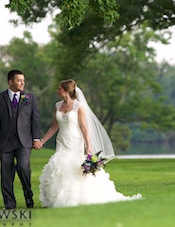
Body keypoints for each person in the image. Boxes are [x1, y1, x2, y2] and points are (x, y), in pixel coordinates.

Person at [37, 79, 141, 207]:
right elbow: (54, 127)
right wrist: (42, 140)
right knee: (59, 164)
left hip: (75, 141)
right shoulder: (57, 106)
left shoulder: (78, 106)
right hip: (61, 142)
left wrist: (89, 147)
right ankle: (57, 198)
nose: (57, 91)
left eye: (59, 89)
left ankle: (74, 198)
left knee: (73, 167)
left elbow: (85, 128)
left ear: (66, 91)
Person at [0, 70, 42, 209]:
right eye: (19, 80)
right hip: (5, 142)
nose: (22, 83)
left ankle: (28, 195)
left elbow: (35, 118)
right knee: (6, 173)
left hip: (24, 141)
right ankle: (9, 204)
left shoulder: (30, 97)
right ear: (10, 82)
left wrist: (36, 138)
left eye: (23, 80)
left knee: (23, 168)